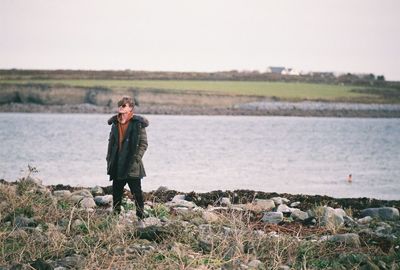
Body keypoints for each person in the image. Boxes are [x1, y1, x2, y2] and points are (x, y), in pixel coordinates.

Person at [106, 96, 149, 222]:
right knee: (116, 193)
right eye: (120, 105)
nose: (121, 108)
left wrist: (136, 158)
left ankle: (140, 218)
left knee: (137, 193)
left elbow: (143, 144)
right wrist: (109, 159)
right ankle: (115, 218)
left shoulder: (138, 124)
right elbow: (111, 143)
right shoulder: (115, 123)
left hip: (132, 164)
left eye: (124, 105)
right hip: (117, 163)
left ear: (130, 108)